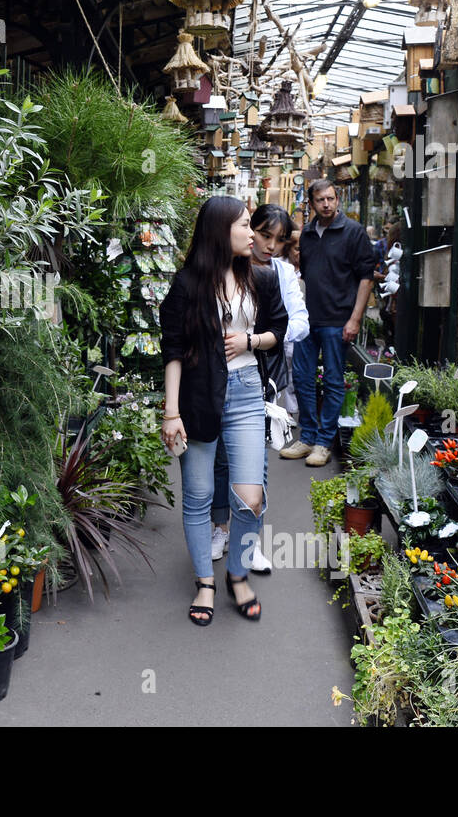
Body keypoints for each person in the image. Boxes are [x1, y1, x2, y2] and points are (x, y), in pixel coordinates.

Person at [160, 197, 288, 625]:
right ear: (220, 231)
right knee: (197, 496)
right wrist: (170, 412)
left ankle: (237, 574)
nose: (253, 235)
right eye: (245, 225)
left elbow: (279, 330)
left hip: (248, 392)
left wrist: (251, 341)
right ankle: (205, 582)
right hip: (198, 394)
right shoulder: (188, 286)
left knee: (250, 498)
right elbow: (173, 352)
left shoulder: (261, 278)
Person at [210, 204, 309, 568]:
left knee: (258, 462)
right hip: (223, 373)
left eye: (279, 241)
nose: (269, 246)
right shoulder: (222, 265)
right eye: (265, 236)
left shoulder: (280, 273)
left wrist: (260, 337)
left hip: (265, 374)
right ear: (249, 229)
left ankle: (250, 540)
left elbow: (298, 322)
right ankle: (220, 528)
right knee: (221, 457)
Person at [279, 179, 376, 467]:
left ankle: (323, 442)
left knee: (334, 382)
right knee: (302, 379)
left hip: (339, 320)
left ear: (337, 200)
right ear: (311, 204)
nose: (327, 204)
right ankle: (307, 436)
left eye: (331, 198)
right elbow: (306, 273)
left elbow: (366, 278)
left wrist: (355, 319)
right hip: (309, 320)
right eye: (320, 200)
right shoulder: (306, 235)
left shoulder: (354, 232)